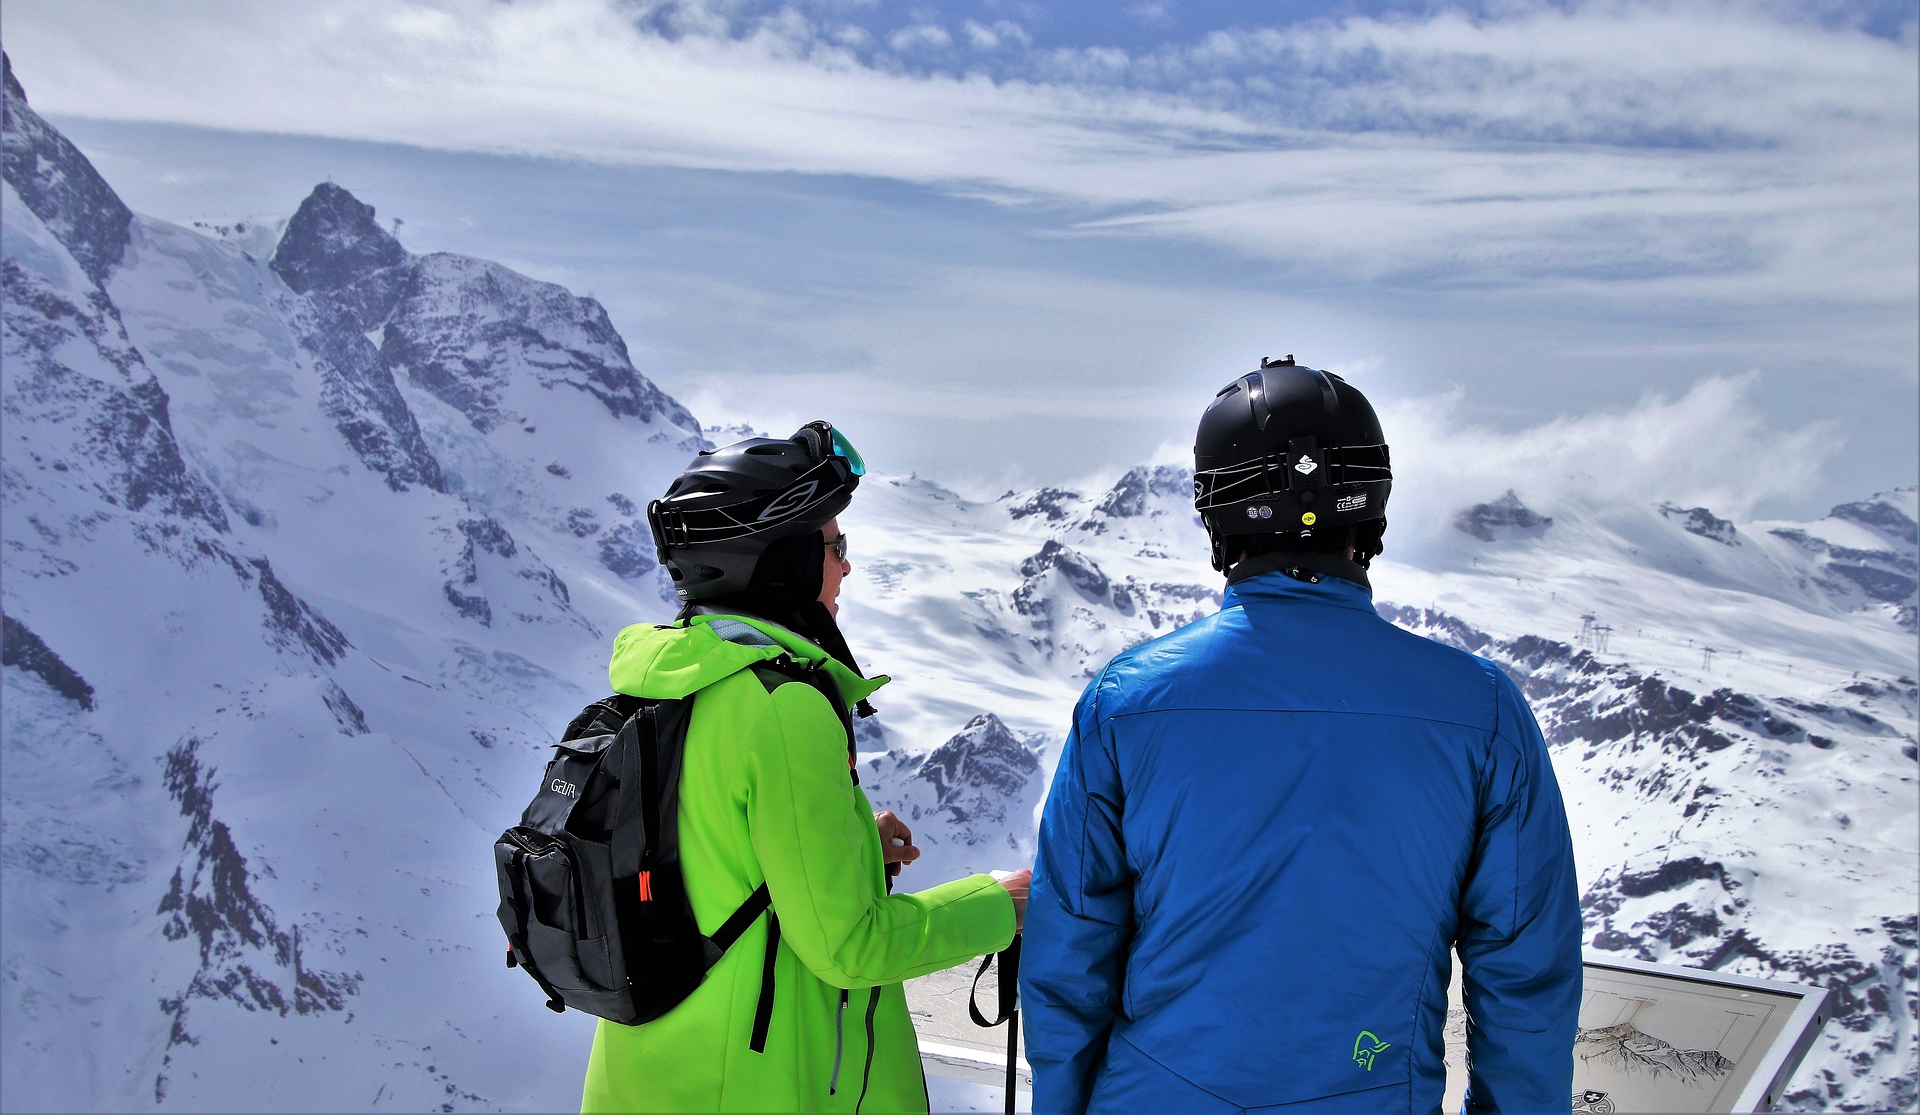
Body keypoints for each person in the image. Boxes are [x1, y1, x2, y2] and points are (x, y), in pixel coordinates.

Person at [1020, 357, 1581, 1114]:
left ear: (1218, 513)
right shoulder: (1482, 710)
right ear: (1371, 509)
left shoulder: (1125, 702)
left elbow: (1070, 956)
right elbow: (1527, 974)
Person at [581, 420, 1030, 1113]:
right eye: (834, 546)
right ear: (781, 561)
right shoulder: (783, 707)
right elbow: (850, 948)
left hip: (646, 1080)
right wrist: (1001, 903)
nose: (846, 568)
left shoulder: (670, 679)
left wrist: (849, 844)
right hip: (755, 1091)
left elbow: (704, 857)